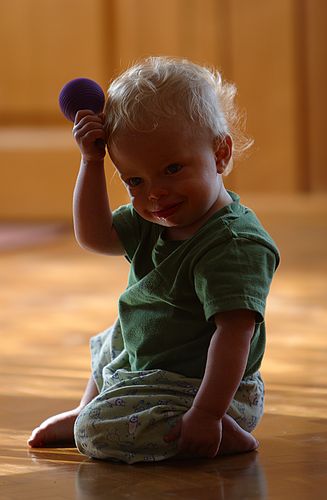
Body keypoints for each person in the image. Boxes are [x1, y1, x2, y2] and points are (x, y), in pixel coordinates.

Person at [28, 57, 279, 463]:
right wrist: (91, 162)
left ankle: (214, 431)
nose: (155, 194)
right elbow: (95, 237)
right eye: (135, 181)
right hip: (155, 365)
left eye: (172, 169)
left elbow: (234, 335)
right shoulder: (156, 216)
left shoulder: (232, 243)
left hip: (205, 390)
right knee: (121, 329)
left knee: (94, 434)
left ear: (220, 153)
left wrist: (207, 413)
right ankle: (90, 406)